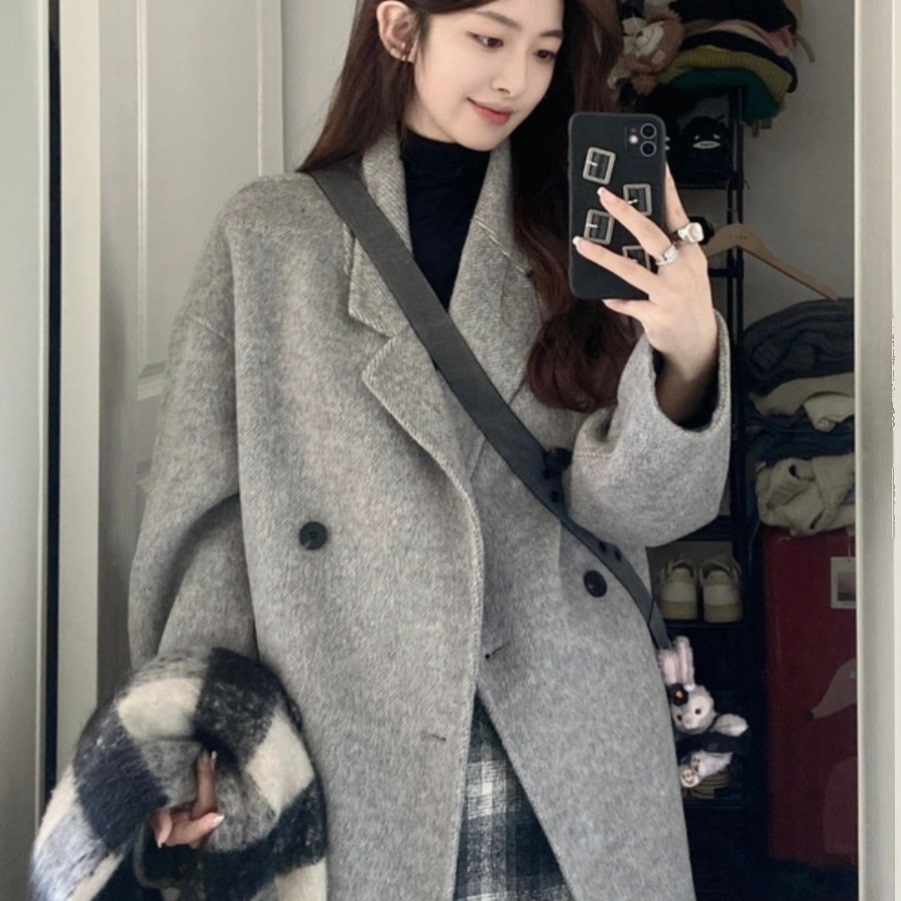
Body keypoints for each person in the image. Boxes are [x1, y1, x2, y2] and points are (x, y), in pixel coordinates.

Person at [131, 0, 730, 898]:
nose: (514, 80)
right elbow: (210, 520)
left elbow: (637, 514)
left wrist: (687, 353)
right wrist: (194, 738)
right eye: (488, 39)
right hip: (351, 725)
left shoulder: (576, 230)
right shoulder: (270, 236)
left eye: (543, 52)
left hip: (567, 725)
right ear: (400, 29)